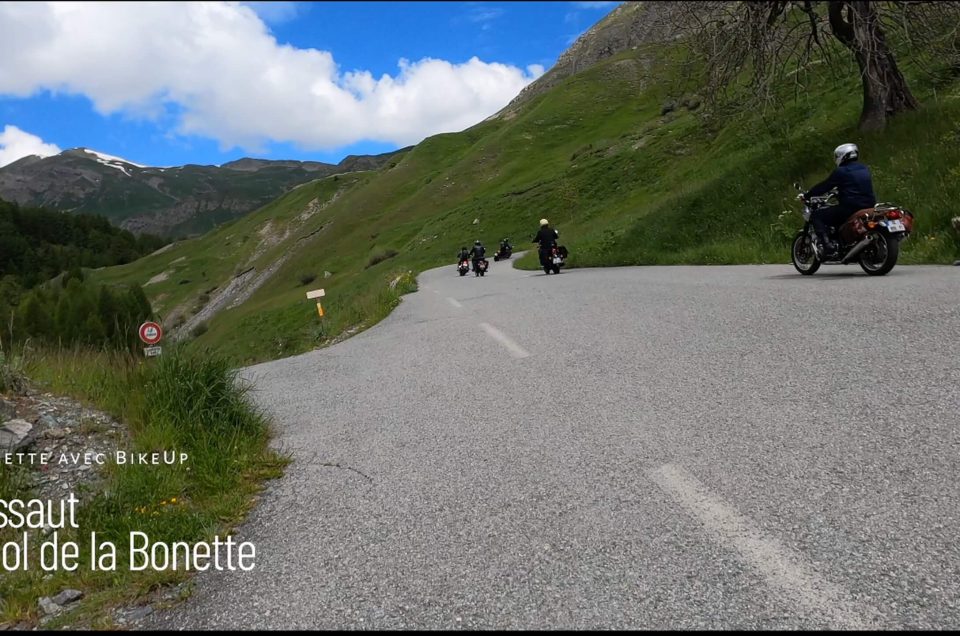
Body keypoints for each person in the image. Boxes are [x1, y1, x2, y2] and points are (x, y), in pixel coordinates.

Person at [803, 143, 876, 258]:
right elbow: (855, 186)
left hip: (850, 207)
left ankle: (828, 247)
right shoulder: (864, 168)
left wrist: (808, 195)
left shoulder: (841, 171)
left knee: (817, 215)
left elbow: (825, 186)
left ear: (842, 156)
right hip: (869, 205)